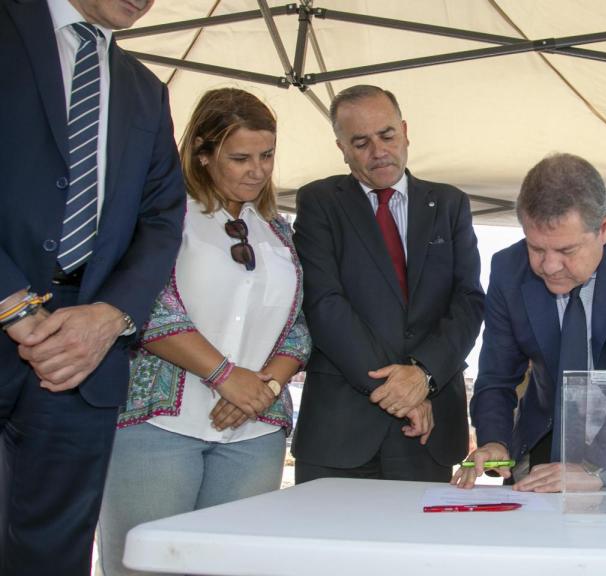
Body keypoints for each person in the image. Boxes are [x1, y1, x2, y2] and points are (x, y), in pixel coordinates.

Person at [0, 0, 185, 573]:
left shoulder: (145, 89)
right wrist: (11, 301)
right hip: (11, 308)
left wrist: (111, 315)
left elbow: (161, 218)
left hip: (86, 356)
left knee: (54, 552)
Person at [95, 88, 310, 575]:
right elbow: (146, 307)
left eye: (267, 155)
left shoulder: (277, 229)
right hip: (157, 429)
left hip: (255, 432)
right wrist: (224, 375)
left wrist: (263, 387)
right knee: (146, 567)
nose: (258, 170)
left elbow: (297, 328)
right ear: (203, 152)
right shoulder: (164, 217)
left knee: (232, 567)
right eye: (240, 158)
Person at [454, 152, 606, 492]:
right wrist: (495, 441)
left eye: (566, 251)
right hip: (547, 443)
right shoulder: (509, 268)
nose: (549, 267)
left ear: (604, 229)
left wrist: (596, 467)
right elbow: (496, 375)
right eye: (536, 248)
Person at [292, 85, 484, 482]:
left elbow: (468, 302)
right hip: (339, 429)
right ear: (341, 148)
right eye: (360, 142)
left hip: (427, 433)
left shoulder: (450, 205)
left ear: (406, 131)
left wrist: (423, 375)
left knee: (419, 544)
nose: (378, 151)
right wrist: (400, 393)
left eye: (387, 135)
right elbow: (324, 303)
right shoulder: (319, 202)